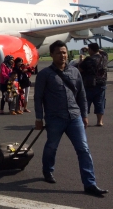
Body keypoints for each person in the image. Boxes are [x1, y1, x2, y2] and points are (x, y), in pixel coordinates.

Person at [34, 40, 108, 196]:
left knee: (84, 149)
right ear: (52, 54)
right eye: (59, 53)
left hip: (75, 117)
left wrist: (85, 115)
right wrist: (39, 118)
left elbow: (81, 95)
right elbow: (38, 97)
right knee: (51, 147)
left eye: (64, 52)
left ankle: (90, 184)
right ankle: (48, 170)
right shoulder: (44, 74)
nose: (62, 55)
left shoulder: (74, 72)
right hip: (55, 118)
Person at [79, 43, 108, 127]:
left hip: (89, 84)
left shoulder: (89, 59)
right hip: (102, 83)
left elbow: (80, 69)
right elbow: (104, 52)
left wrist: (81, 58)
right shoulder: (104, 57)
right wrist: (95, 49)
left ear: (91, 50)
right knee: (100, 103)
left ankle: (84, 121)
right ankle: (100, 121)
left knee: (86, 103)